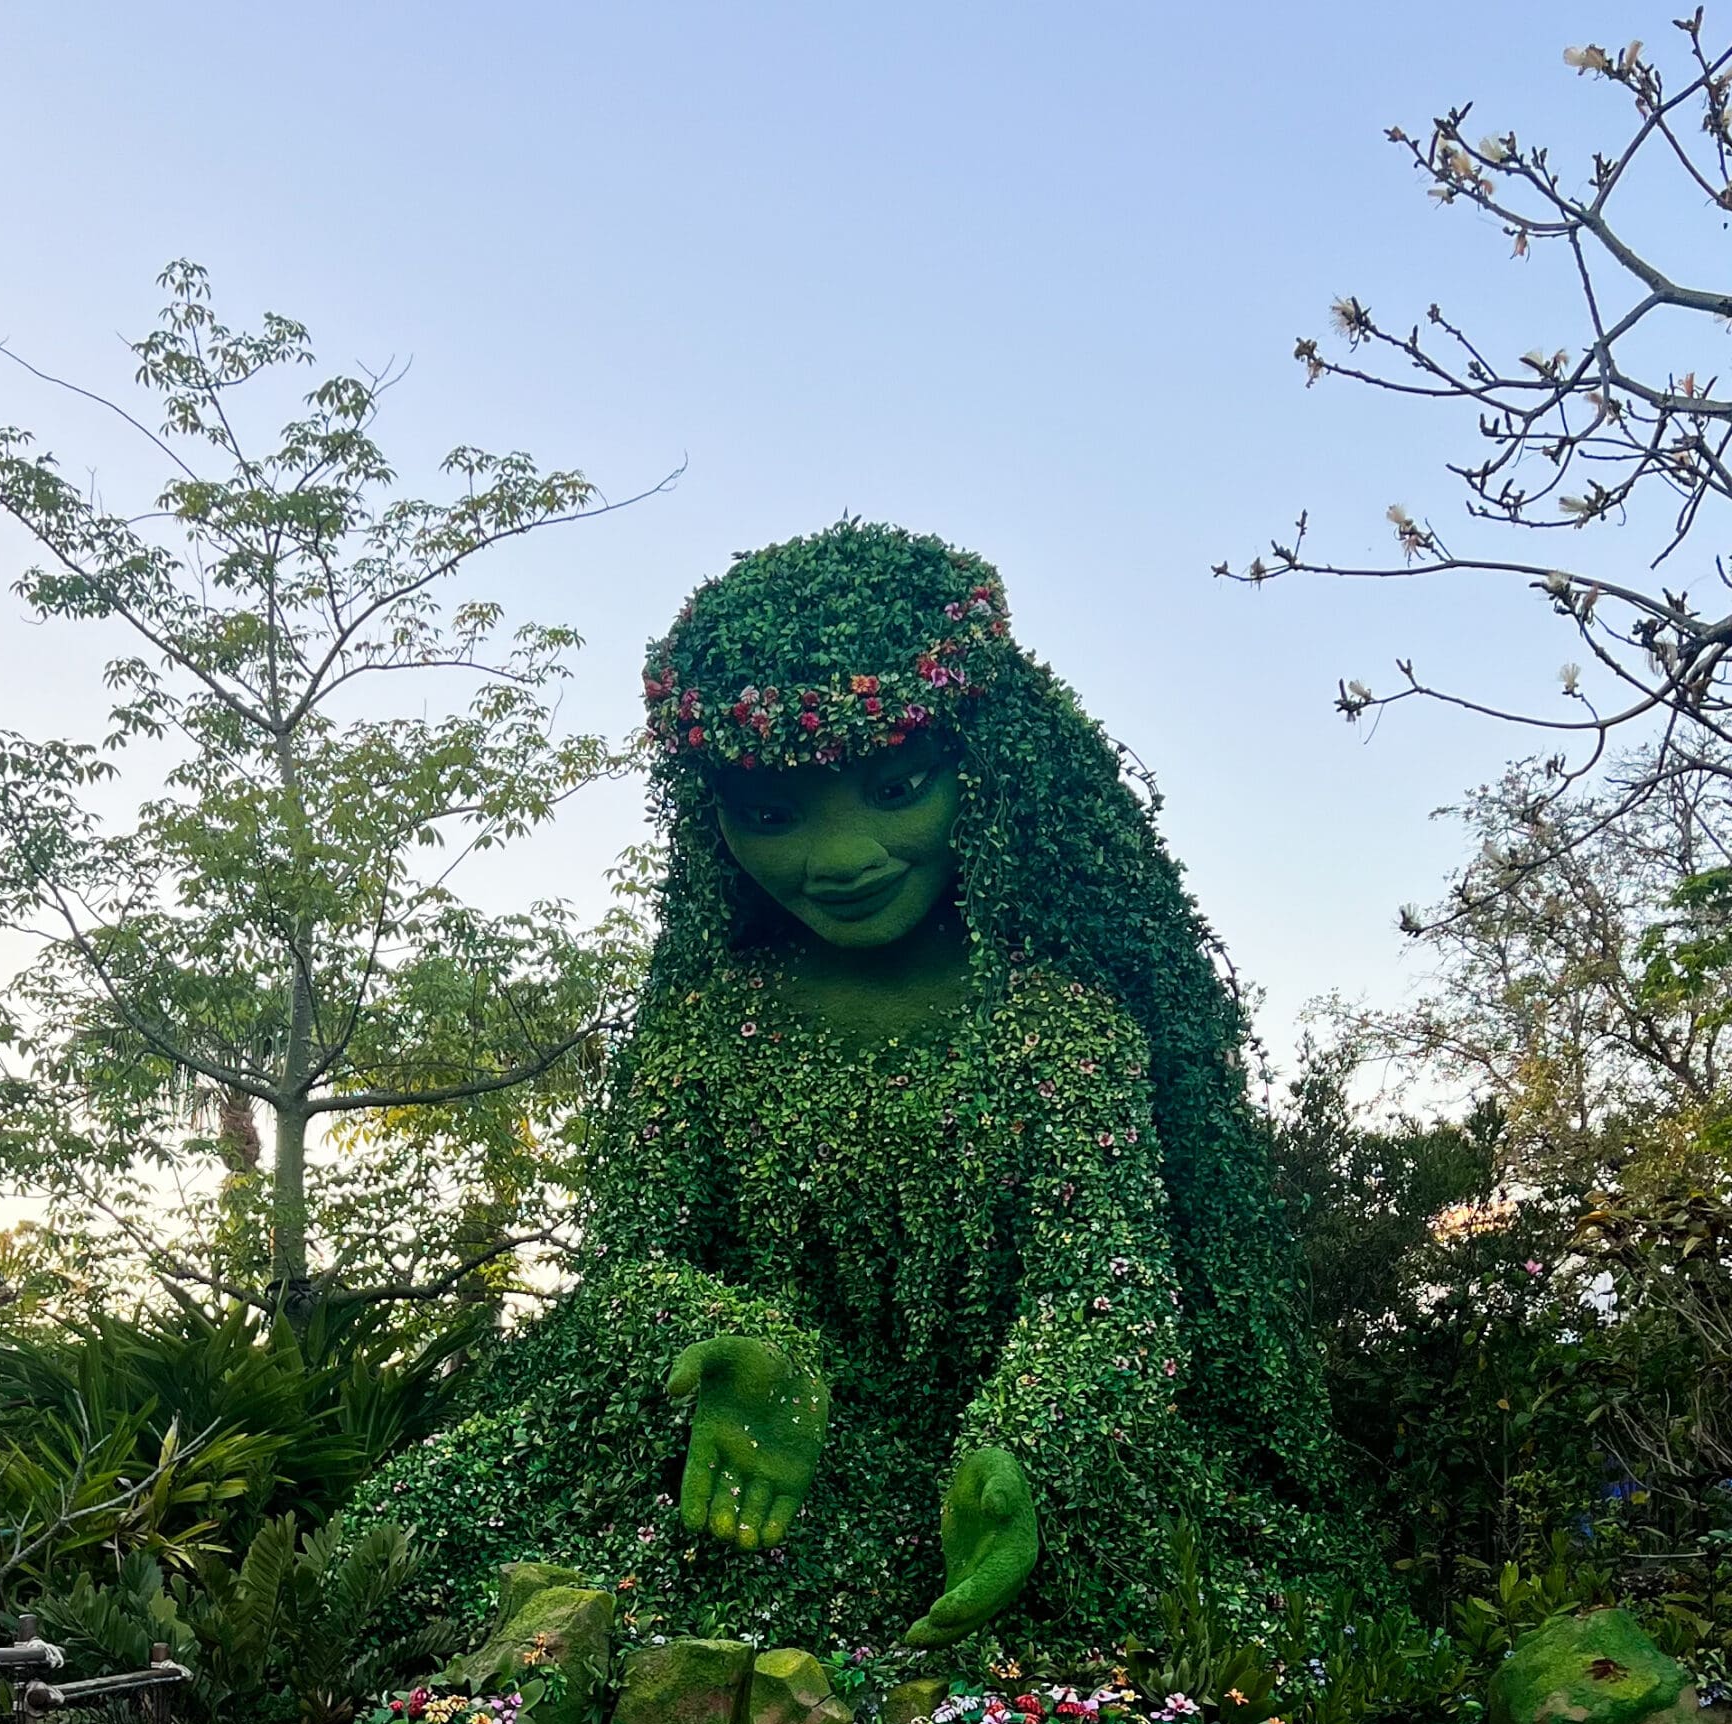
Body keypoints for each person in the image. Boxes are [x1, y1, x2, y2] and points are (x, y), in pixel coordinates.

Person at [347, 523, 1347, 1653]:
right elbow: (633, 1261)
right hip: (754, 1458)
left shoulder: (1059, 1028)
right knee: (411, 1549)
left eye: (896, 785)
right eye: (771, 813)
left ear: (988, 769)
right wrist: (742, 1351)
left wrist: (1021, 1447)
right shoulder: (707, 1029)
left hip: (986, 1482)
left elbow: (1103, 1292)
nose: (840, 857)